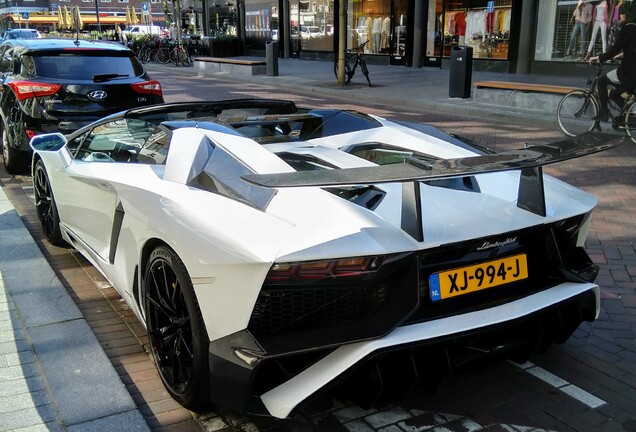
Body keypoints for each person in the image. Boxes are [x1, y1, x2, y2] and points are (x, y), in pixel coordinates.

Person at [588, 7, 636, 122]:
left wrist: (599, 58)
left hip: (629, 71)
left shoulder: (628, 27)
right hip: (633, 72)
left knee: (602, 81)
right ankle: (628, 115)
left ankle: (604, 113)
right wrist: (623, 54)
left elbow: (615, 49)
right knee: (615, 94)